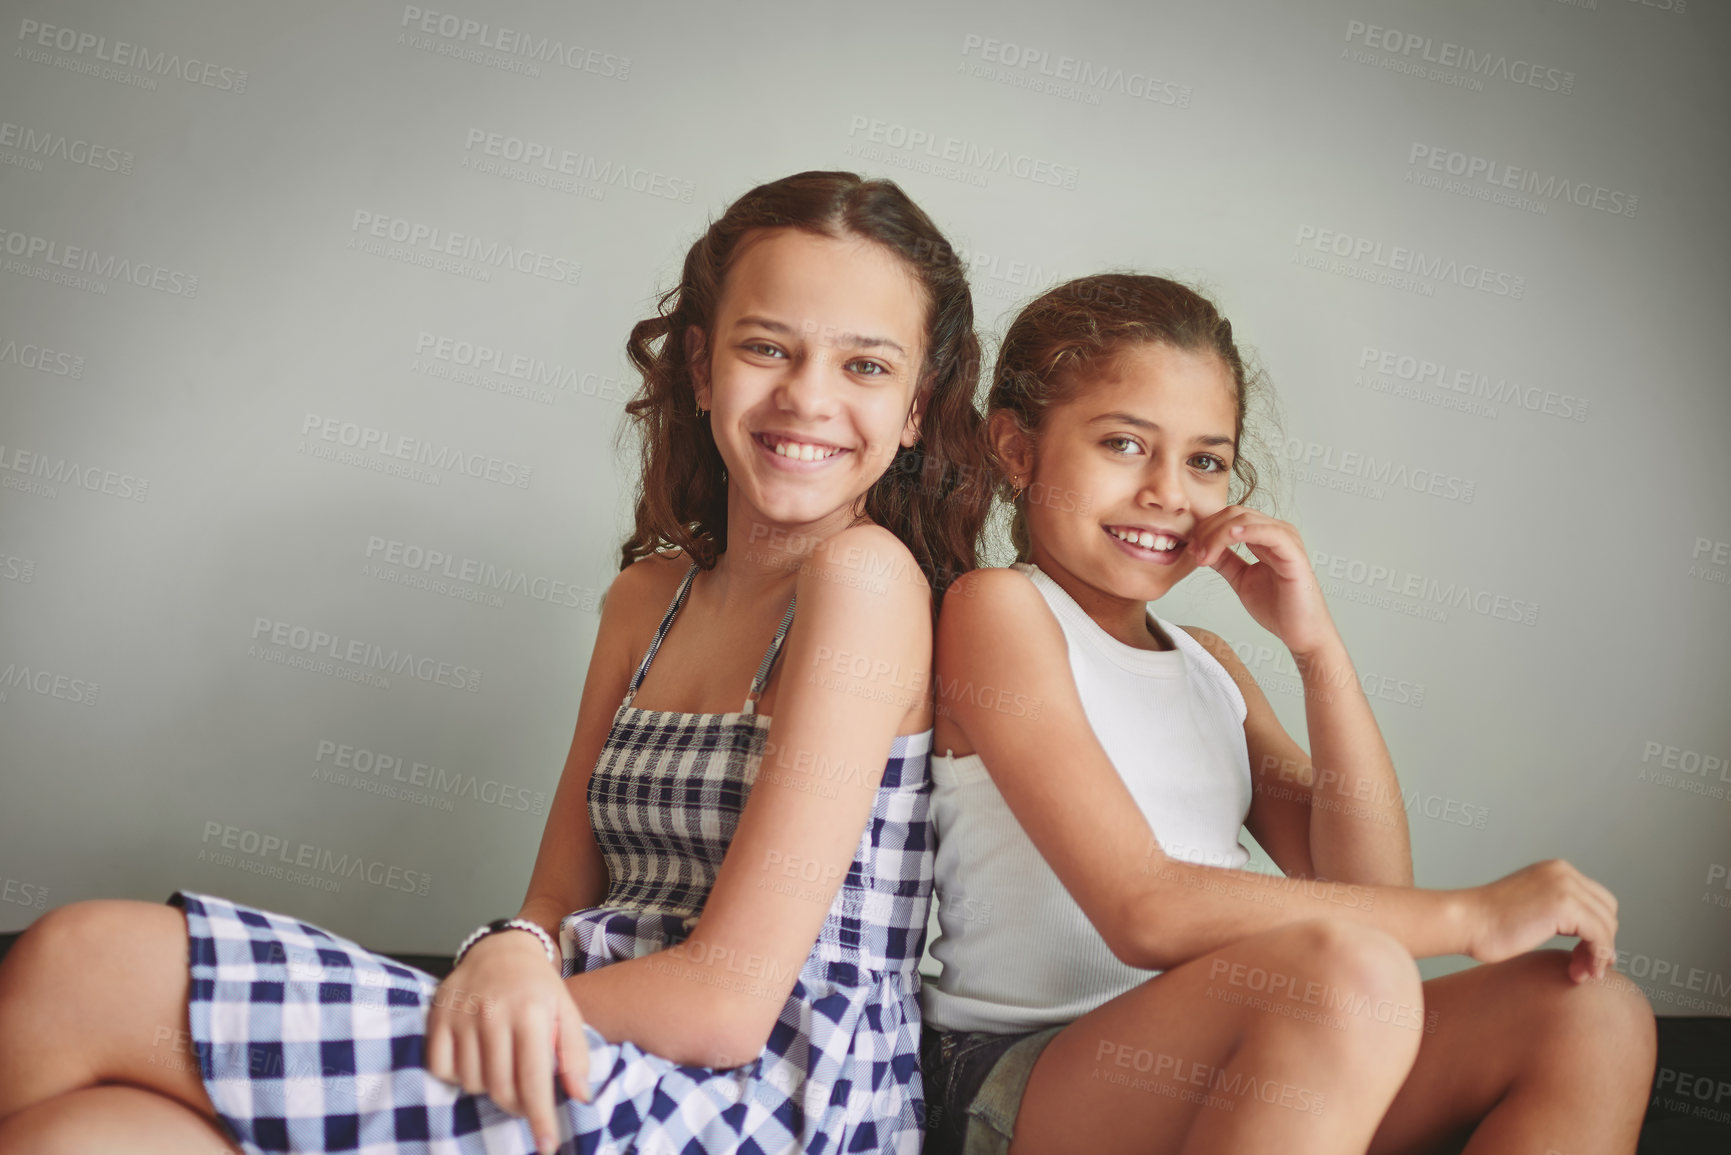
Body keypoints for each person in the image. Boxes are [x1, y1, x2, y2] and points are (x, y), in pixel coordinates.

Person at [0, 170, 992, 1155]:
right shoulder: (649, 599)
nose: (808, 397)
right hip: (596, 1043)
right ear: (700, 367)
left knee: (83, 967)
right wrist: (513, 953)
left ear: (916, 408)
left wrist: (509, 996)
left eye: (865, 366)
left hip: (765, 1102)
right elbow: (555, 901)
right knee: (89, 1133)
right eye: (767, 347)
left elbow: (730, 1002)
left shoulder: (865, 581)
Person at [918, 272, 1657, 1155]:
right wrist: (1473, 913)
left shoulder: (1209, 664)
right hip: (1029, 1077)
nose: (1168, 491)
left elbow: (1371, 895)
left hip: (1260, 1052)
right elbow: (1141, 909)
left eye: (1204, 460)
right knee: (1341, 972)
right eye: (1123, 444)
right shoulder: (999, 610)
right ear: (1016, 449)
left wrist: (1316, 651)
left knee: (1587, 1012)